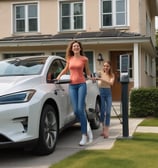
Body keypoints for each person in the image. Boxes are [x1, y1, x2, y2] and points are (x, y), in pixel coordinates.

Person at [56, 40, 93, 146]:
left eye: (77, 46)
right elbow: (65, 69)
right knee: (76, 111)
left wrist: (91, 77)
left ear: (80, 48)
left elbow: (88, 71)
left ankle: (84, 135)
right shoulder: (69, 59)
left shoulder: (84, 59)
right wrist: (58, 76)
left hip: (82, 85)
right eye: (74, 46)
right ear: (71, 49)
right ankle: (87, 127)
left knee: (80, 109)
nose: (76, 47)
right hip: (72, 86)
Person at [96, 61, 115, 138]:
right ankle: (103, 129)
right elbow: (94, 78)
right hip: (101, 93)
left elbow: (111, 83)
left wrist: (101, 79)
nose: (105, 67)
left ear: (110, 67)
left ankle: (106, 130)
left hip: (108, 94)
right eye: (104, 66)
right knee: (102, 111)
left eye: (107, 66)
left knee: (108, 112)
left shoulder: (111, 75)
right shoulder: (100, 73)